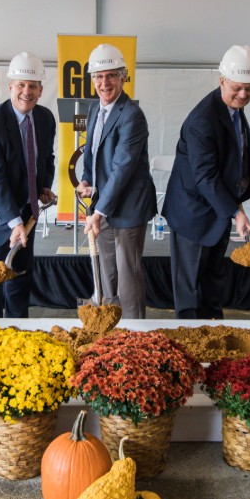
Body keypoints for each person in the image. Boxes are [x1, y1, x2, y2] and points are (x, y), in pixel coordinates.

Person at [163, 45, 250, 319]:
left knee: (212, 281)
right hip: (192, 213)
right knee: (189, 289)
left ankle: (213, 332)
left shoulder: (232, 110)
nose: (243, 95)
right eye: (238, 88)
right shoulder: (202, 120)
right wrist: (235, 212)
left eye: (249, 89)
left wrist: (235, 203)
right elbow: (205, 176)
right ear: (222, 81)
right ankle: (188, 339)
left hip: (217, 209)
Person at [0, 52, 57, 318]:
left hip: (26, 209)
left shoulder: (45, 118)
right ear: (10, 88)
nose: (26, 92)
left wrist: (43, 188)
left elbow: (45, 158)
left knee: (19, 273)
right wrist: (13, 221)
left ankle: (19, 332)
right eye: (20, 85)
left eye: (32, 86)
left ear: (40, 90)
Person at [75, 44, 156, 319]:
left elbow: (122, 168)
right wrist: (86, 179)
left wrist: (98, 212)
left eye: (111, 76)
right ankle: (110, 326)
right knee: (106, 269)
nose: (104, 83)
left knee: (127, 275)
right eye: (98, 76)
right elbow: (92, 151)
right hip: (105, 203)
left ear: (123, 77)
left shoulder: (131, 115)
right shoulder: (94, 109)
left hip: (129, 207)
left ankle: (134, 333)